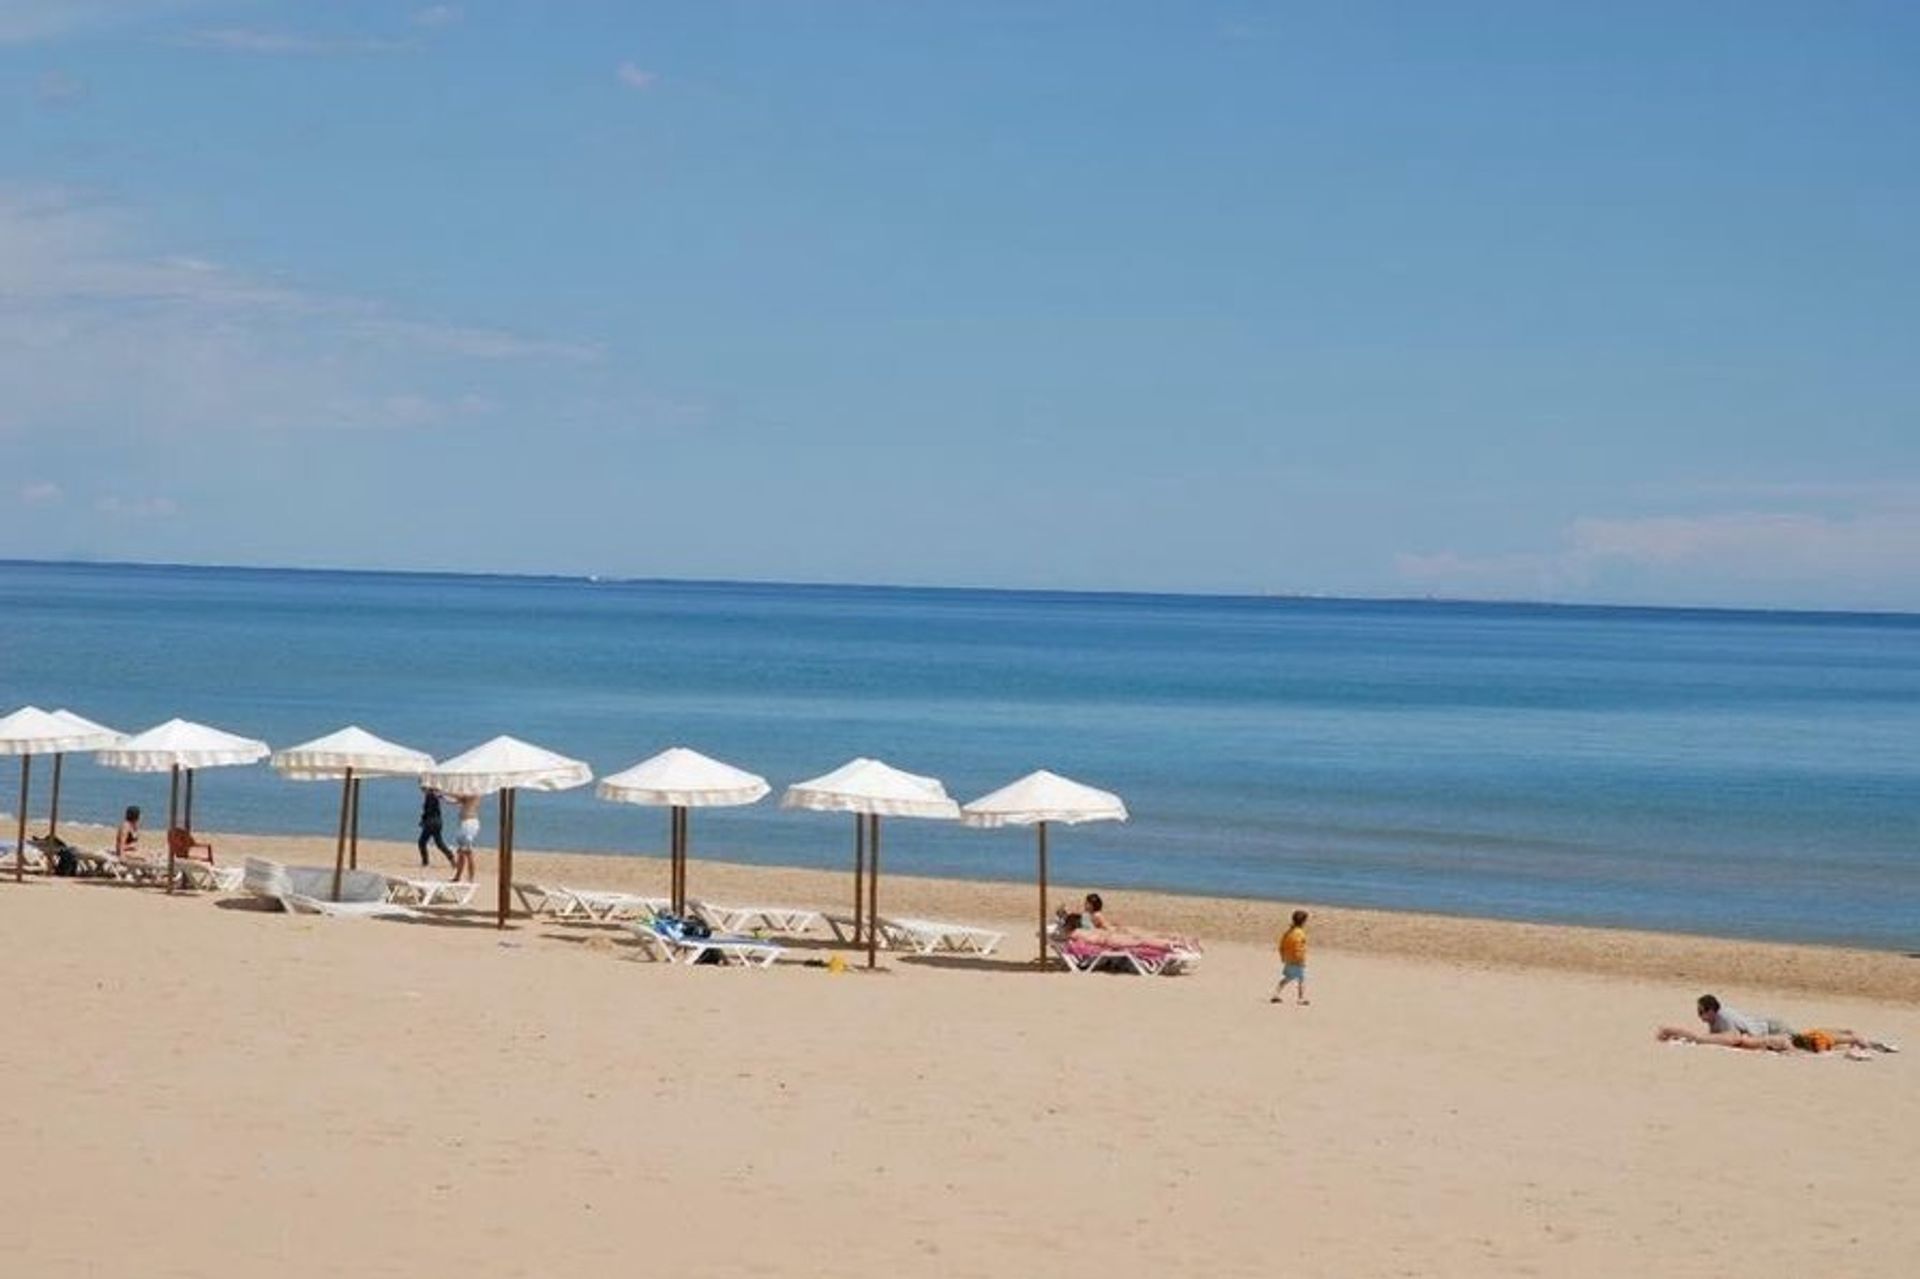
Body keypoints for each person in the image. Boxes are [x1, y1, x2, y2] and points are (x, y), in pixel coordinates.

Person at [1695, 994, 1794, 1038]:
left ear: (1711, 1011)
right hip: (1766, 1028)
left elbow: (1734, 1038)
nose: (1699, 1015)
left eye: (1701, 1012)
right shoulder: (1714, 1020)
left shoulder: (1723, 1018)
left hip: (1771, 1028)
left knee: (1801, 1042)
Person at [1271, 909, 1310, 1005]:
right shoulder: (1300, 933)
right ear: (1304, 922)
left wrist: (1283, 956)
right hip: (1297, 960)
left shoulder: (1288, 932)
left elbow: (1282, 945)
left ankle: (1276, 994)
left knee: (1287, 978)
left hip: (1288, 959)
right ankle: (1301, 998)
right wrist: (1302, 959)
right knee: (1301, 979)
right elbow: (1300, 948)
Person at [417, 784, 454, 869]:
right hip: (437, 822)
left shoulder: (430, 796)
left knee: (422, 842)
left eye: (423, 788)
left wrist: (424, 820)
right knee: (439, 843)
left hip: (432, 822)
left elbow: (428, 811)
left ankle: (425, 862)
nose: (422, 790)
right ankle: (451, 857)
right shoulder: (433, 795)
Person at [449, 793, 482, 883]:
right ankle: (458, 876)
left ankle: (471, 877)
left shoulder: (475, 791)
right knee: (461, 852)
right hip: (464, 823)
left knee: (467, 851)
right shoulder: (471, 791)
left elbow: (460, 797)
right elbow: (459, 800)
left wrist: (444, 792)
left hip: (469, 823)